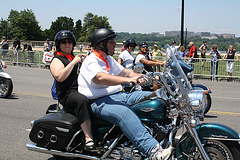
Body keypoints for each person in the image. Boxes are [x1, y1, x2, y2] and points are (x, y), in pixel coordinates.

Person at [78, 28, 173, 160]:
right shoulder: (91, 60)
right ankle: (153, 151)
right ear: (101, 44)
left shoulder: (108, 59)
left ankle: (164, 132)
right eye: (111, 42)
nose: (115, 44)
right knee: (125, 113)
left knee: (153, 96)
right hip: (98, 102)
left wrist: (151, 77)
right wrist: (128, 80)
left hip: (117, 96)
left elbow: (127, 72)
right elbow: (100, 77)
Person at [50, 30, 94, 150]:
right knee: (82, 101)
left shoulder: (73, 57)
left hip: (79, 89)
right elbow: (60, 77)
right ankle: (88, 137)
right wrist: (73, 62)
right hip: (67, 93)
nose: (67, 44)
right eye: (64, 42)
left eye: (70, 42)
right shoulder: (57, 59)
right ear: (59, 44)